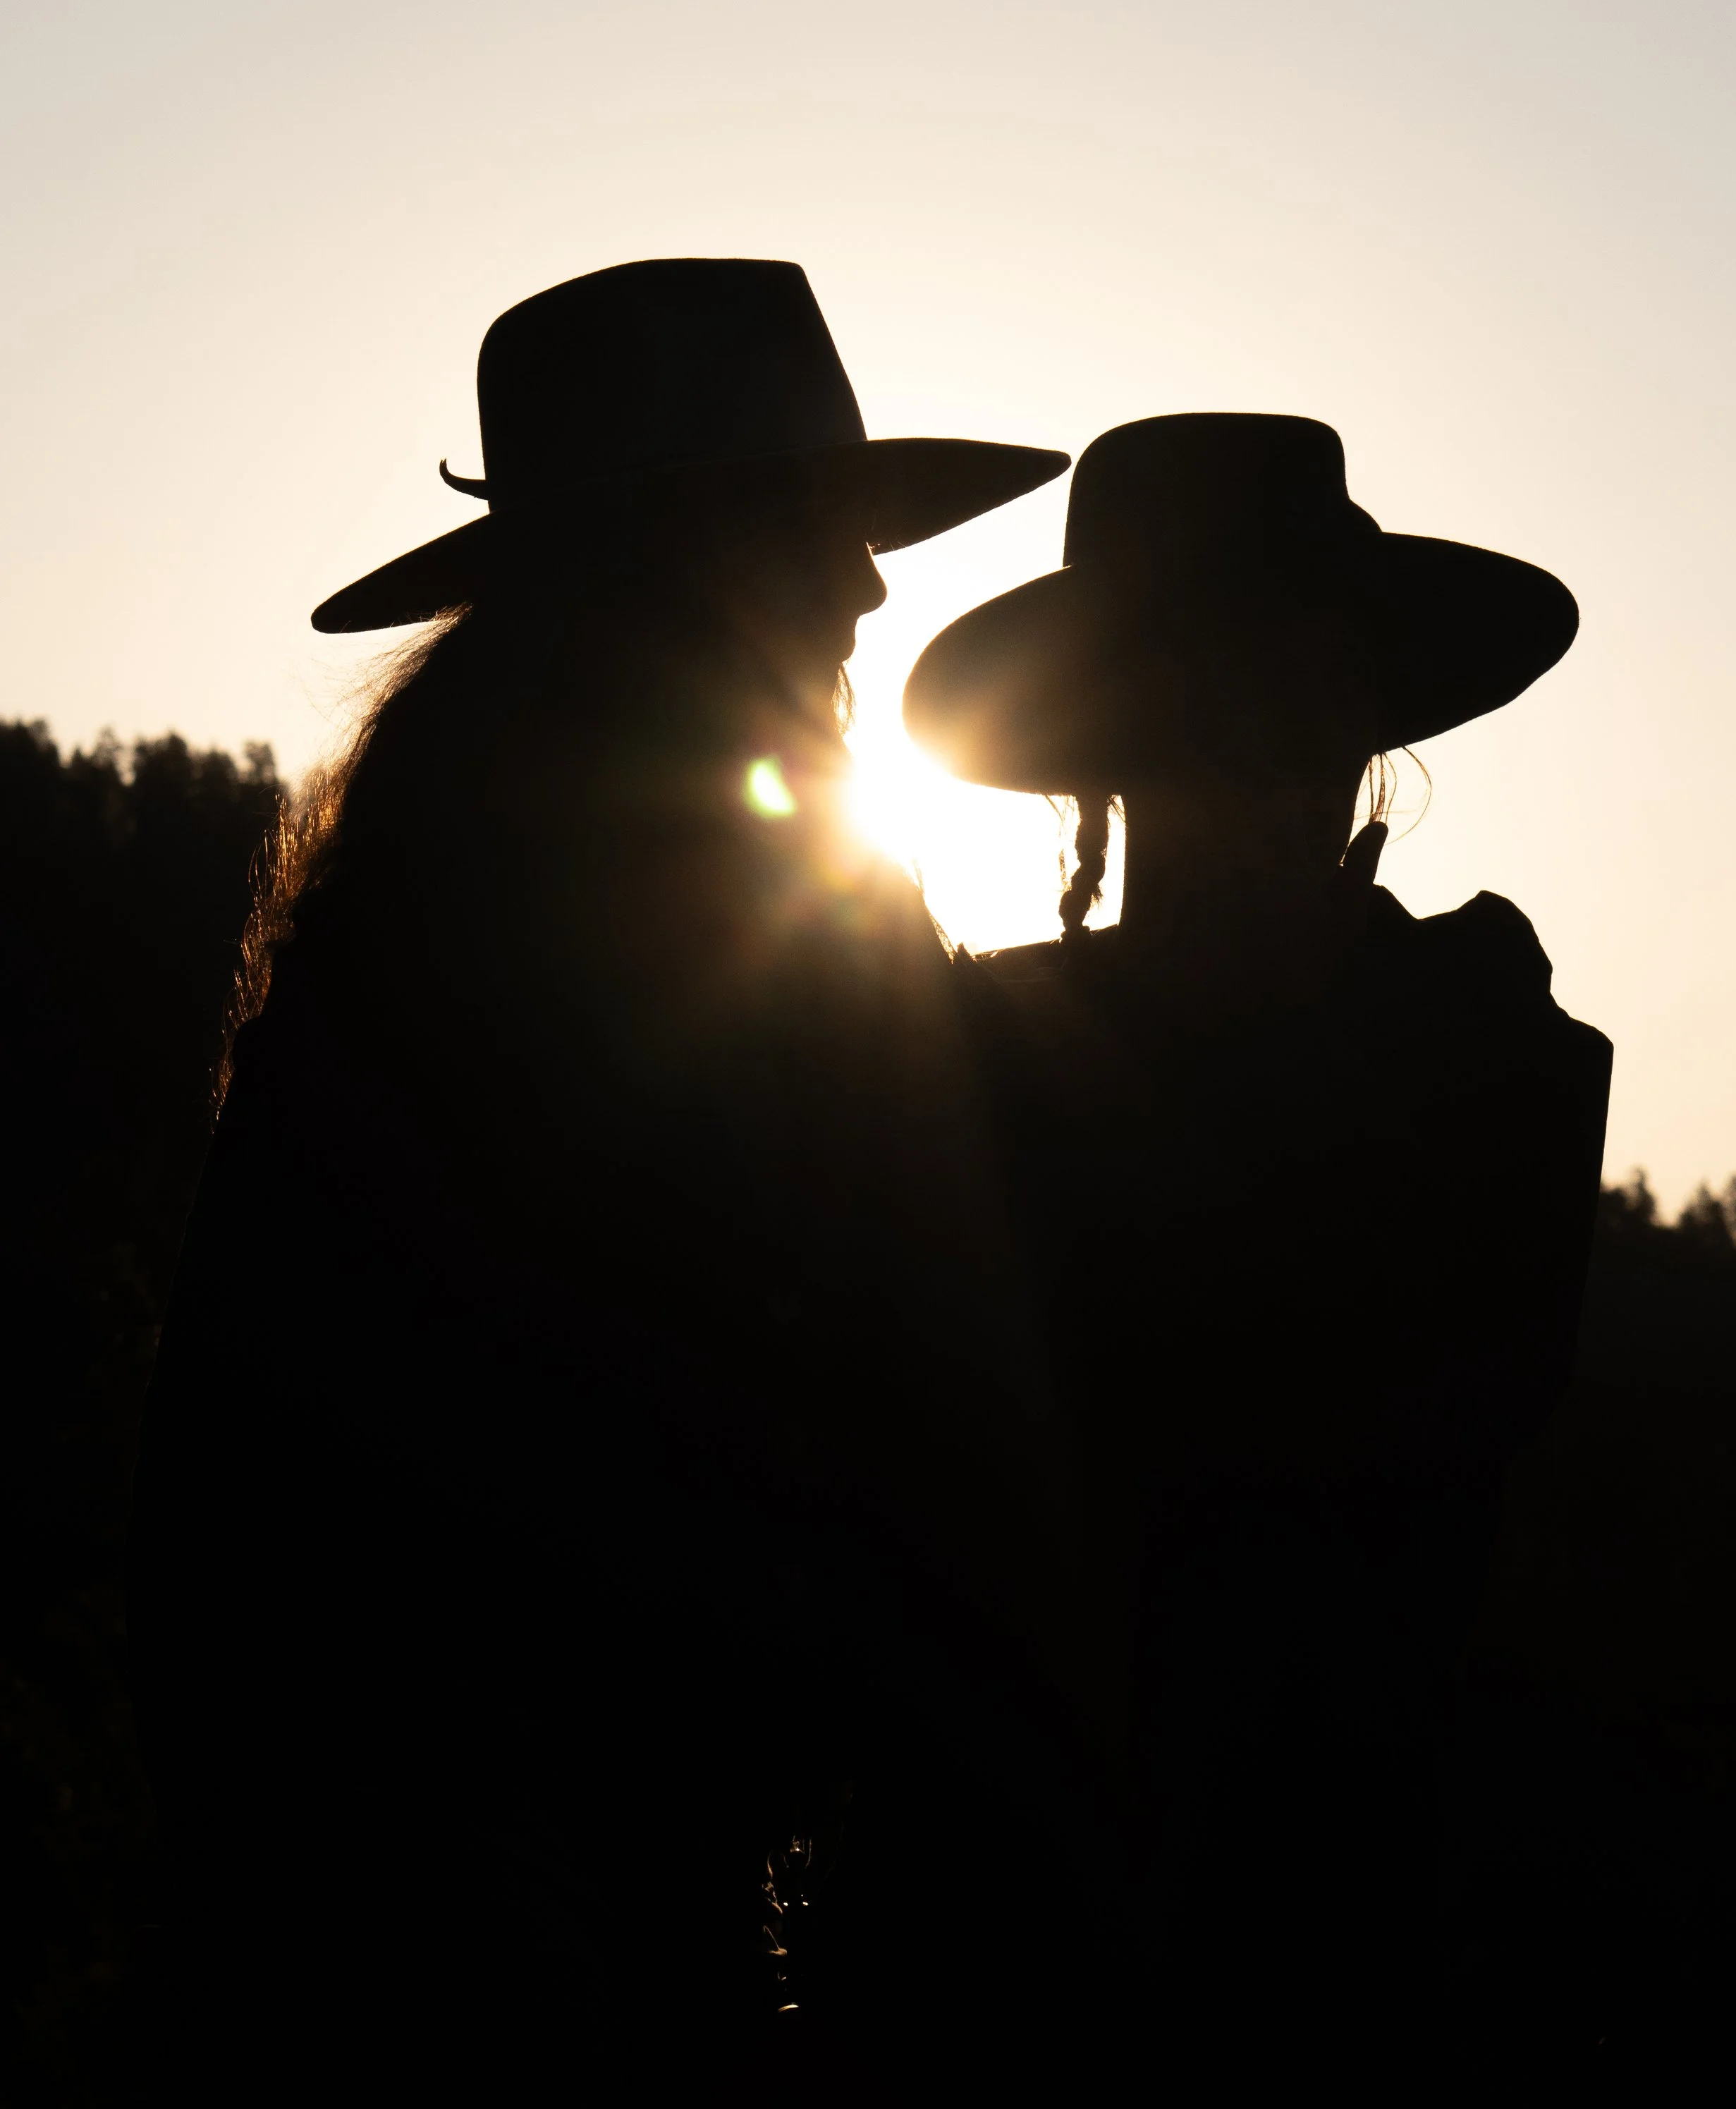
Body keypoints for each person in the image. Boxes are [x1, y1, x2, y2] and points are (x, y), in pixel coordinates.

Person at [128, 259, 1080, 2100]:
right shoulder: (450, 985)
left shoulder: (735, 937)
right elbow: (266, 1565)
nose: (869, 588)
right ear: (660, 575)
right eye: (810, 530)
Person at [903, 411, 1613, 2086]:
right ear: (1115, 742)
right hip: (1015, 1926)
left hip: (1326, 1928)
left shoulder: (1485, 1044)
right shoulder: (964, 1062)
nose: (1265, 751)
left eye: (1298, 696)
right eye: (1206, 703)